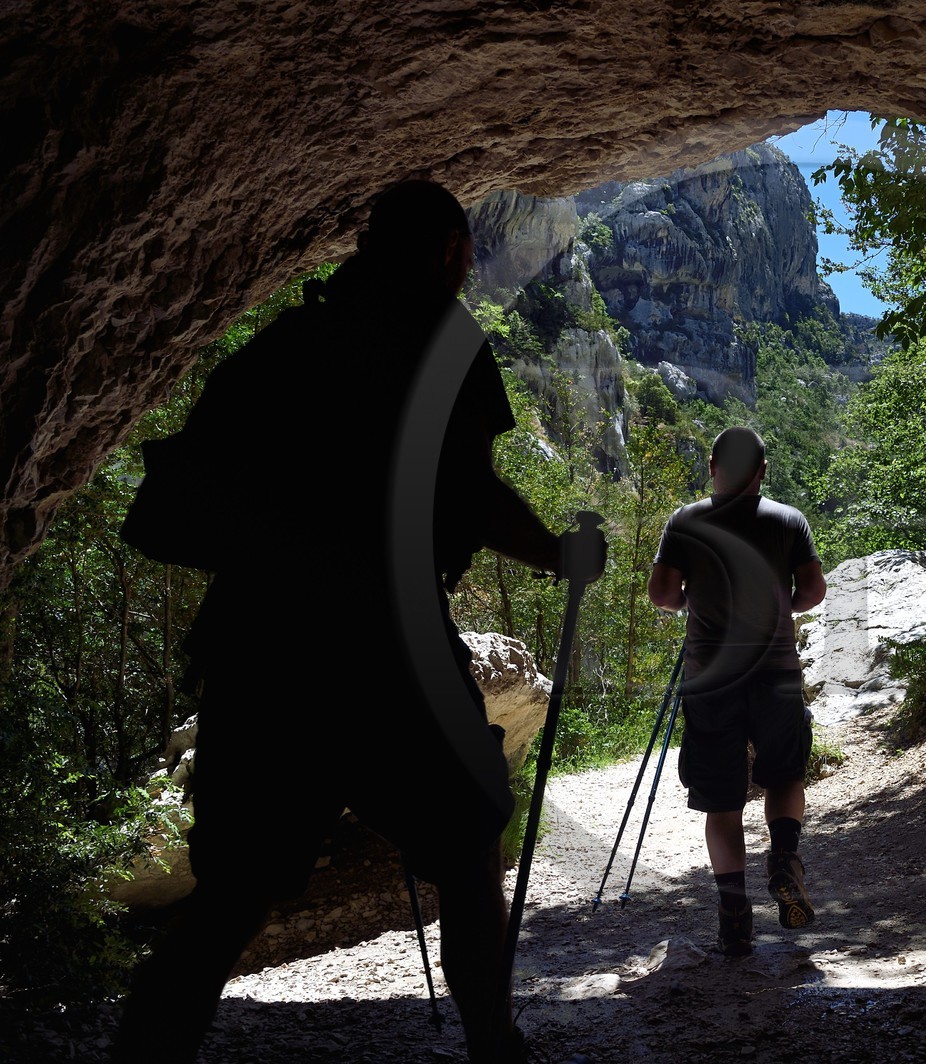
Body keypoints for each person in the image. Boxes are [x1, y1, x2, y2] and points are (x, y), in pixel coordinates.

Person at [111, 180, 604, 1064]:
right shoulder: (441, 345)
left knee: (232, 895)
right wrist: (560, 556)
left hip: (263, 651)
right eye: (461, 254)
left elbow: (163, 512)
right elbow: (474, 493)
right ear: (451, 252)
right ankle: (495, 1045)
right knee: (464, 843)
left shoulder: (281, 348)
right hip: (393, 646)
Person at [646, 426, 827, 956]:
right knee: (785, 773)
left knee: (721, 803)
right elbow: (813, 589)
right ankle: (785, 859)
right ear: (762, 472)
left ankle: (734, 915)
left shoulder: (686, 521)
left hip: (711, 678)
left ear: (712, 465)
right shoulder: (788, 520)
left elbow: (661, 593)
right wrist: (778, 608)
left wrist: (692, 604)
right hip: (775, 671)